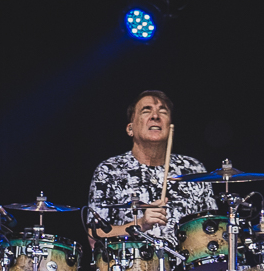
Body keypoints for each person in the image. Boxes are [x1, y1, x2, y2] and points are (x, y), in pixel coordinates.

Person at [85, 90, 212, 249]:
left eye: (163, 111)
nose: (155, 116)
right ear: (130, 129)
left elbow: (211, 231)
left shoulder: (193, 169)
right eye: (146, 111)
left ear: (170, 127)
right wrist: (140, 225)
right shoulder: (110, 171)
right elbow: (94, 238)